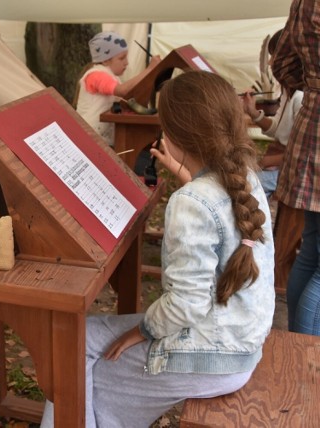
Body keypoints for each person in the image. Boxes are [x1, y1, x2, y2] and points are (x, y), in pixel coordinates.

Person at [41, 71, 275, 427]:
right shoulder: (245, 175)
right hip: (242, 342)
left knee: (73, 353)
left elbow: (185, 305)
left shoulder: (191, 203)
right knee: (87, 349)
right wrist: (187, 176)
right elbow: (220, 215)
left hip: (211, 356)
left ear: (172, 133)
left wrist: (142, 332)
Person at [241, 29, 305, 296]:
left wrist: (266, 161)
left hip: (294, 172)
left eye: (274, 58)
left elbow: (300, 149)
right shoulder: (291, 93)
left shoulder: (301, 96)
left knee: (246, 185)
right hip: (284, 164)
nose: (269, 65)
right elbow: (279, 130)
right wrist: (254, 114)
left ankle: (249, 250)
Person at [270, 0, 320, 335]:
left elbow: (283, 63)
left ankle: (299, 349)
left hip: (311, 125)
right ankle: (309, 358)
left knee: (310, 251)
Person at [75, 30, 161, 146]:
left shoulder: (111, 76)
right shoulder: (95, 75)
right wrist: (149, 69)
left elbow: (128, 93)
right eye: (122, 58)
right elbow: (122, 91)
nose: (126, 63)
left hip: (101, 139)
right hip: (89, 139)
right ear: (105, 60)